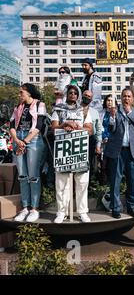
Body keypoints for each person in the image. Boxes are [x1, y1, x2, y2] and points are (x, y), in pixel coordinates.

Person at [51, 84, 93, 223]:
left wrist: (77, 127)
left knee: (82, 182)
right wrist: (64, 125)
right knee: (62, 183)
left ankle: (82, 212)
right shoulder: (58, 109)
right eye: (70, 92)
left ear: (78, 95)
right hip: (63, 151)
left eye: (75, 92)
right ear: (66, 94)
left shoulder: (84, 110)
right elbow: (53, 128)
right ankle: (61, 212)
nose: (73, 94)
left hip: (80, 150)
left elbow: (90, 130)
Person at [104, 88, 134, 219]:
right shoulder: (115, 110)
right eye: (124, 96)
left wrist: (129, 113)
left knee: (132, 180)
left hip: (133, 151)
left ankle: (132, 206)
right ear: (121, 98)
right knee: (115, 179)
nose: (126, 98)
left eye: (129, 96)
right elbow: (111, 129)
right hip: (118, 150)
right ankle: (115, 207)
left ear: (132, 99)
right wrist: (113, 117)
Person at [10, 83, 47, 222]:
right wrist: (17, 140)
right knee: (22, 175)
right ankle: (25, 207)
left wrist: (25, 142)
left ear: (29, 93)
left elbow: (39, 126)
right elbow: (12, 125)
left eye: (21, 92)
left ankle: (34, 208)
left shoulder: (39, 105)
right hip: (18, 139)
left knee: (33, 175)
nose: (19, 95)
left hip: (33, 139)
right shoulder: (17, 108)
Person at [80, 90, 102, 184]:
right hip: (78, 140)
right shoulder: (75, 109)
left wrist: (98, 145)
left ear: (91, 99)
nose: (87, 97)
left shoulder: (94, 112)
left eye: (89, 96)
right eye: (85, 95)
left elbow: (98, 129)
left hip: (90, 140)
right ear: (82, 95)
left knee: (90, 165)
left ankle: (88, 187)